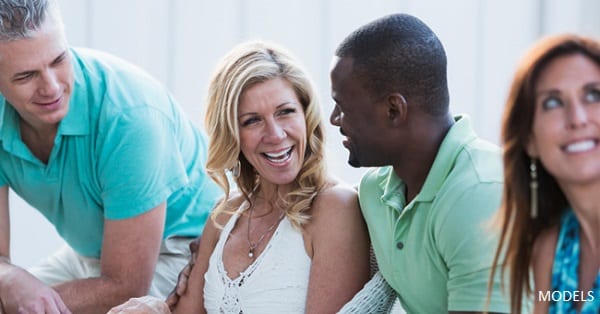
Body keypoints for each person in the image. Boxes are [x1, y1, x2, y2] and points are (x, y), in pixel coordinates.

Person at [109, 40, 371, 313]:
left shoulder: (336, 207)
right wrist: (156, 308)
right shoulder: (224, 215)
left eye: (285, 112)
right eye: (252, 120)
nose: (276, 135)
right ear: (232, 134)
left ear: (306, 115)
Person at [0, 0, 221, 312]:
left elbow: (126, 286)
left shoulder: (130, 117)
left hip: (184, 248)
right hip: (95, 250)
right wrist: (7, 278)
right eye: (25, 76)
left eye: (59, 59)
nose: (51, 87)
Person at [328, 13, 509, 313]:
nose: (334, 119)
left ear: (393, 110)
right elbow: (384, 284)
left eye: (343, 106)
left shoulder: (481, 193)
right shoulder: (375, 193)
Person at [490, 34, 600, 314]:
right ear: (529, 140)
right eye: (552, 103)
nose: (578, 118)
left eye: (593, 95)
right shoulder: (550, 251)